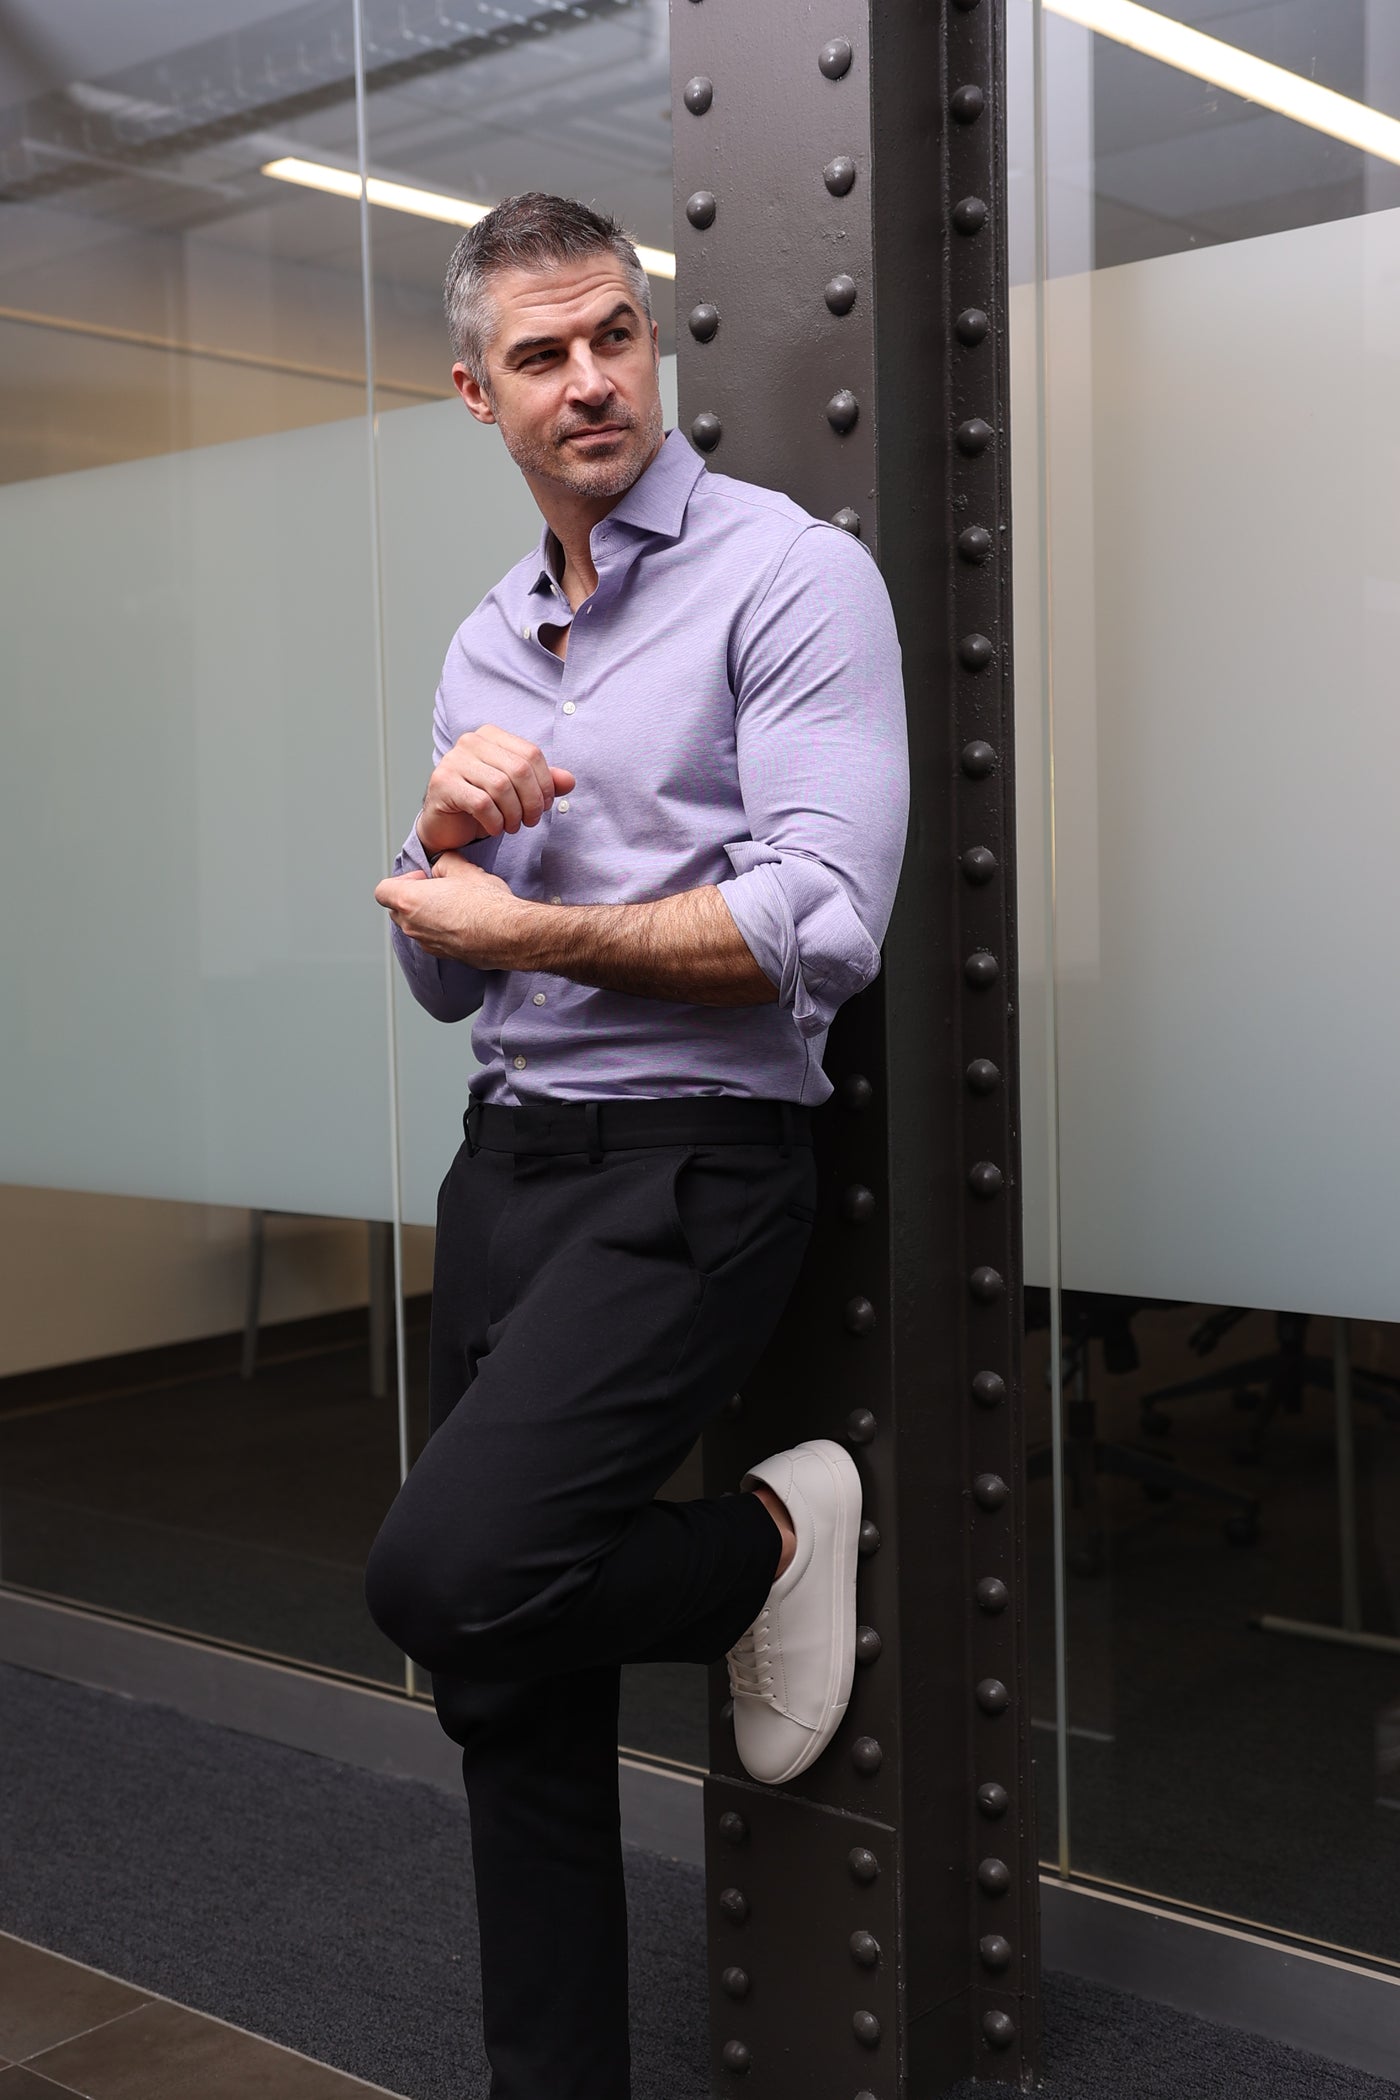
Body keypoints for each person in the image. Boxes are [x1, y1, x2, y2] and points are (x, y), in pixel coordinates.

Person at [364, 191, 909, 2100]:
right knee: (504, 1695)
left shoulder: (789, 575)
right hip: (506, 1162)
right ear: (474, 392)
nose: (589, 379)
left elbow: (829, 918)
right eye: (541, 354)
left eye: (612, 335)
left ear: (646, 341)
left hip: (694, 1160)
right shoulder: (481, 646)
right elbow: (449, 990)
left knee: (446, 1578)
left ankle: (773, 1540)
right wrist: (443, 857)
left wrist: (535, 926)